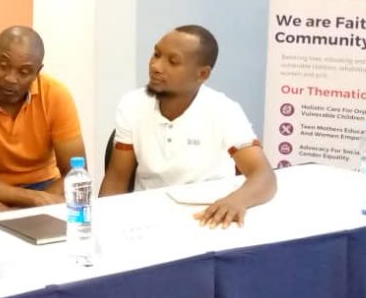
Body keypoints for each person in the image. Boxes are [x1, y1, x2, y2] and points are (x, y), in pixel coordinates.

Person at [99, 26, 276, 228]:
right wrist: (103, 224)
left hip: (207, 217)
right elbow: (117, 180)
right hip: (147, 217)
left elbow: (264, 176)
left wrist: (236, 201)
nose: (156, 66)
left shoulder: (224, 110)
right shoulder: (132, 104)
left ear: (202, 74)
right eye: (156, 54)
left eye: (173, 61)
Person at [0, 26, 86, 208]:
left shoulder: (56, 95)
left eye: (24, 72)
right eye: (3, 66)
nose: (10, 79)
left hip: (44, 187)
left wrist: (16, 210)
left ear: (37, 72)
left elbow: (75, 173)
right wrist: (31, 203)